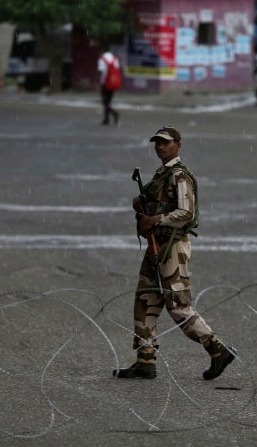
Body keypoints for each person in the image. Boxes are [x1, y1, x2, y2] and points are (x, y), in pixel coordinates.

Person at [114, 126, 236, 381]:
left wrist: (155, 219)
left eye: (166, 143)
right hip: (157, 245)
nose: (160, 146)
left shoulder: (180, 175)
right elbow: (156, 202)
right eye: (157, 143)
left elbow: (186, 213)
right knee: (146, 299)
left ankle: (217, 349)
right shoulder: (163, 174)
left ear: (177, 145)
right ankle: (145, 359)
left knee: (178, 304)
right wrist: (142, 204)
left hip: (171, 246)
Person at [97, 45, 121, 125]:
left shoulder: (102, 59)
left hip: (105, 83)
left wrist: (98, 81)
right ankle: (106, 119)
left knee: (105, 102)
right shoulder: (115, 58)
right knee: (108, 101)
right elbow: (117, 69)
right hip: (113, 82)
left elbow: (100, 71)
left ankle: (114, 113)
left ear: (103, 50)